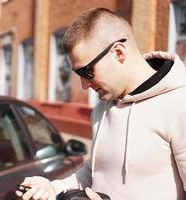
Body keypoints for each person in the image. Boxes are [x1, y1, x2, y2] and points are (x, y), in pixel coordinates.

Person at [15, 7, 186, 200]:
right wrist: (53, 188)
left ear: (119, 53)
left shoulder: (179, 104)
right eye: (78, 74)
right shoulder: (102, 108)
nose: (84, 84)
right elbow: (94, 172)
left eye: (87, 71)